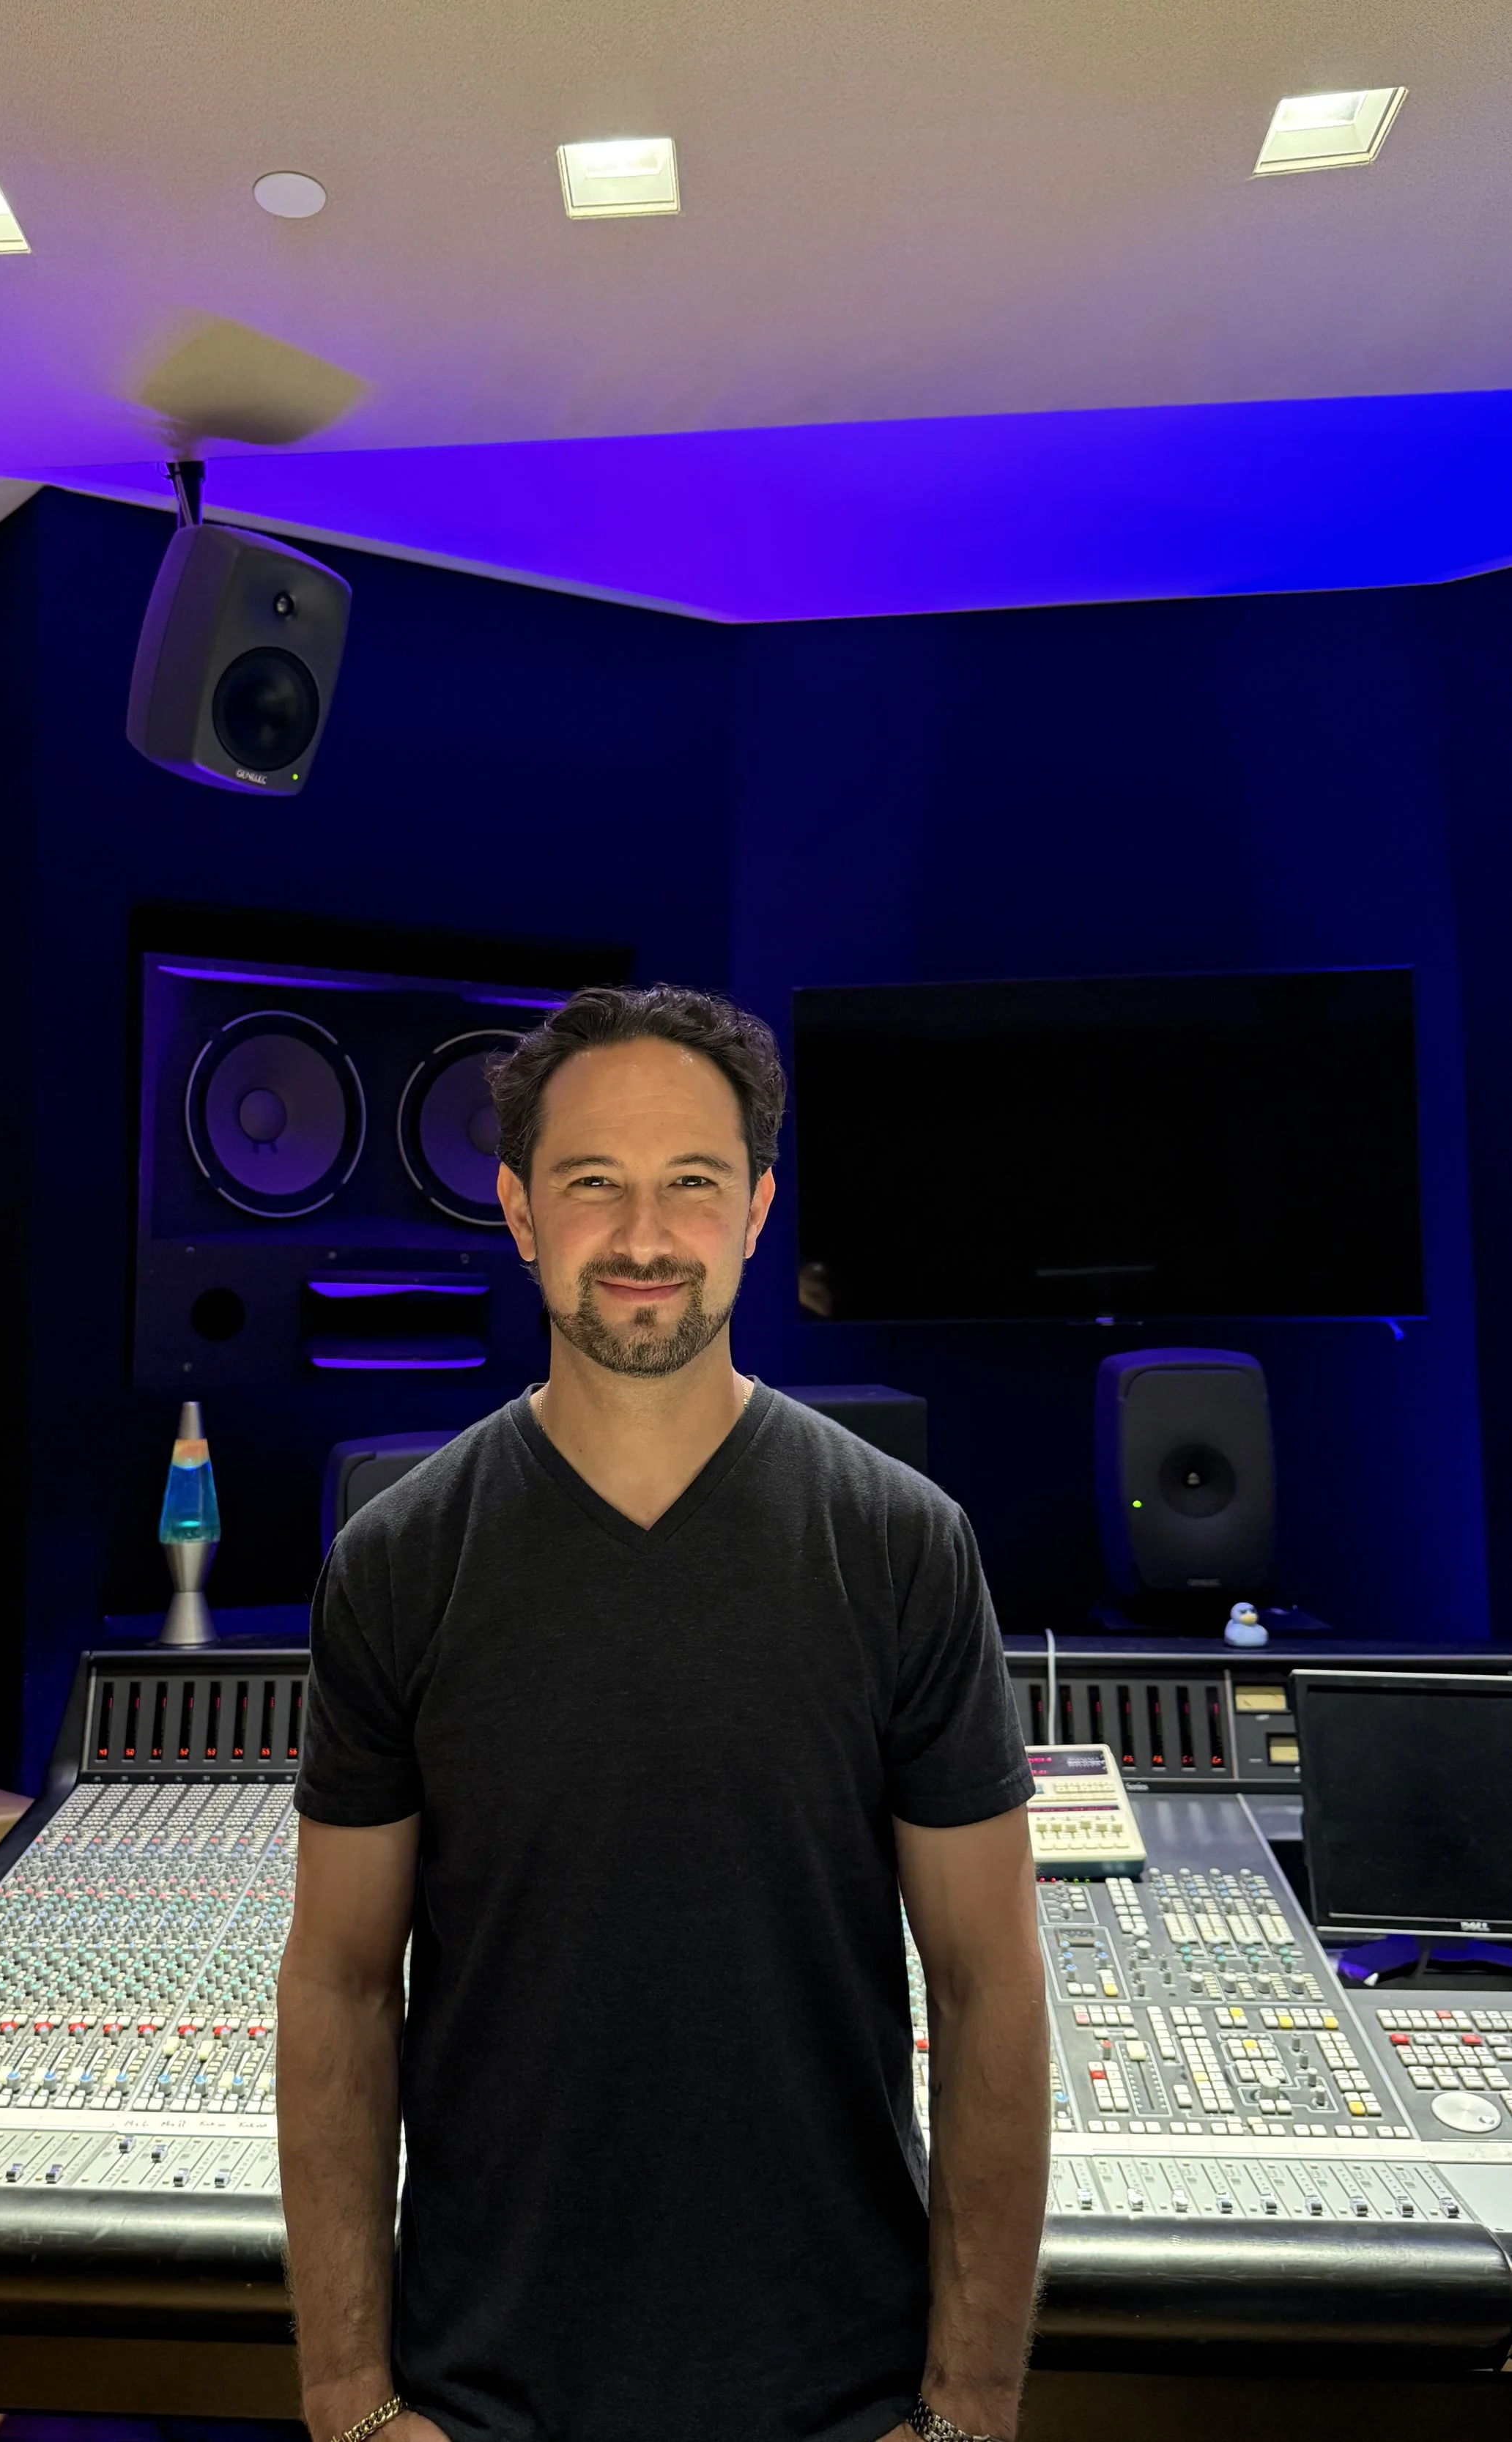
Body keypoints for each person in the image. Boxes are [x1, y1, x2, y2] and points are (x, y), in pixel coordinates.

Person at [277, 984, 1048, 2442]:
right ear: (516, 1210)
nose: (640, 1239)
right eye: (591, 1185)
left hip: (838, 2398)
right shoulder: (395, 1562)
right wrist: (347, 2406)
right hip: (477, 2397)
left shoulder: (901, 1547)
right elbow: (332, 1984)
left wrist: (964, 2416)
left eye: (690, 1185)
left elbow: (987, 1985)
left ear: (756, 1209)